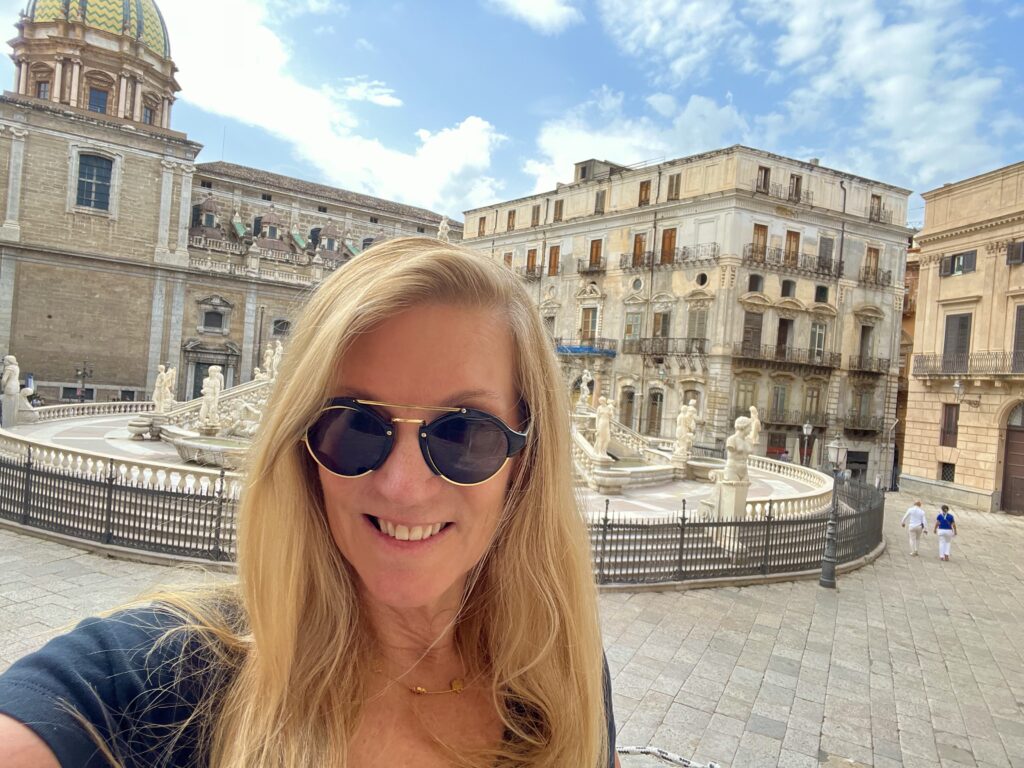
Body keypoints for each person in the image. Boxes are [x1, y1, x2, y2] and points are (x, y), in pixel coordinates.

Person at [0, 237, 617, 768]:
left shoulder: (566, 675)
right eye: (353, 425)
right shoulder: (160, 682)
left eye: (464, 433)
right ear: (299, 442)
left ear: (526, 458)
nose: (403, 486)